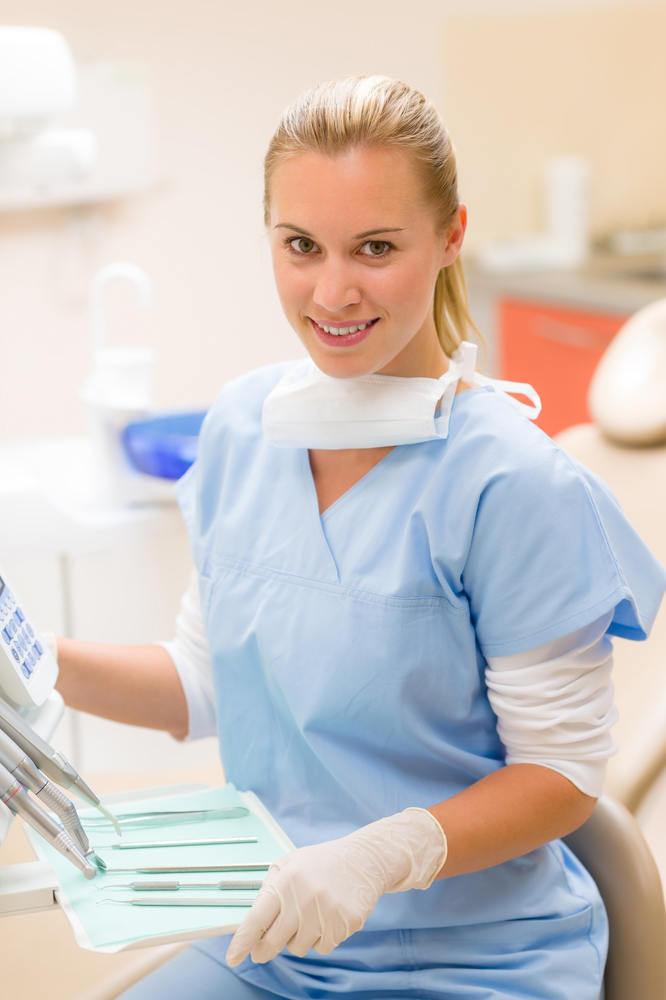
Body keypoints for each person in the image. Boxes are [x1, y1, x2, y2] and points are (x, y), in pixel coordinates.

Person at [55, 76, 666, 1000]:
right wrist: (34, 662)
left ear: (452, 237)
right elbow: (205, 678)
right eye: (301, 246)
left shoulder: (511, 482)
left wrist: (387, 854)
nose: (331, 291)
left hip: (482, 960)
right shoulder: (239, 428)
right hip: (279, 946)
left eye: (375, 248)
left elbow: (563, 774)